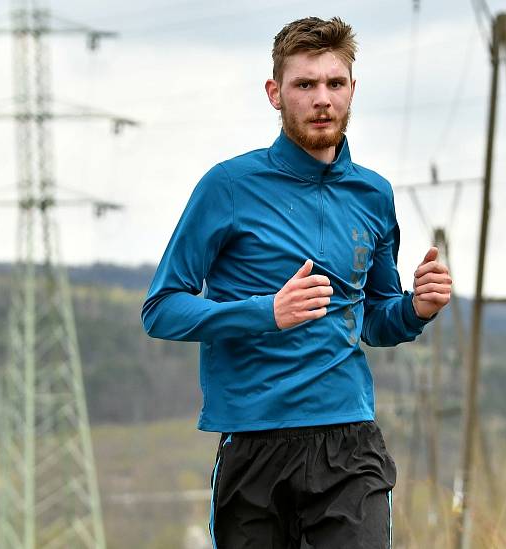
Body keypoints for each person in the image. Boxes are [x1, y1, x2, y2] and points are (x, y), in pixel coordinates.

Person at [142, 16, 452, 549]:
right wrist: (266, 312)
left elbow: (376, 321)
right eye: (304, 85)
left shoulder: (373, 195)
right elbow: (161, 310)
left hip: (348, 444)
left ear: (352, 89)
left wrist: (415, 309)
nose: (322, 99)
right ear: (275, 93)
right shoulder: (228, 186)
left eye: (334, 83)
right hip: (253, 443)